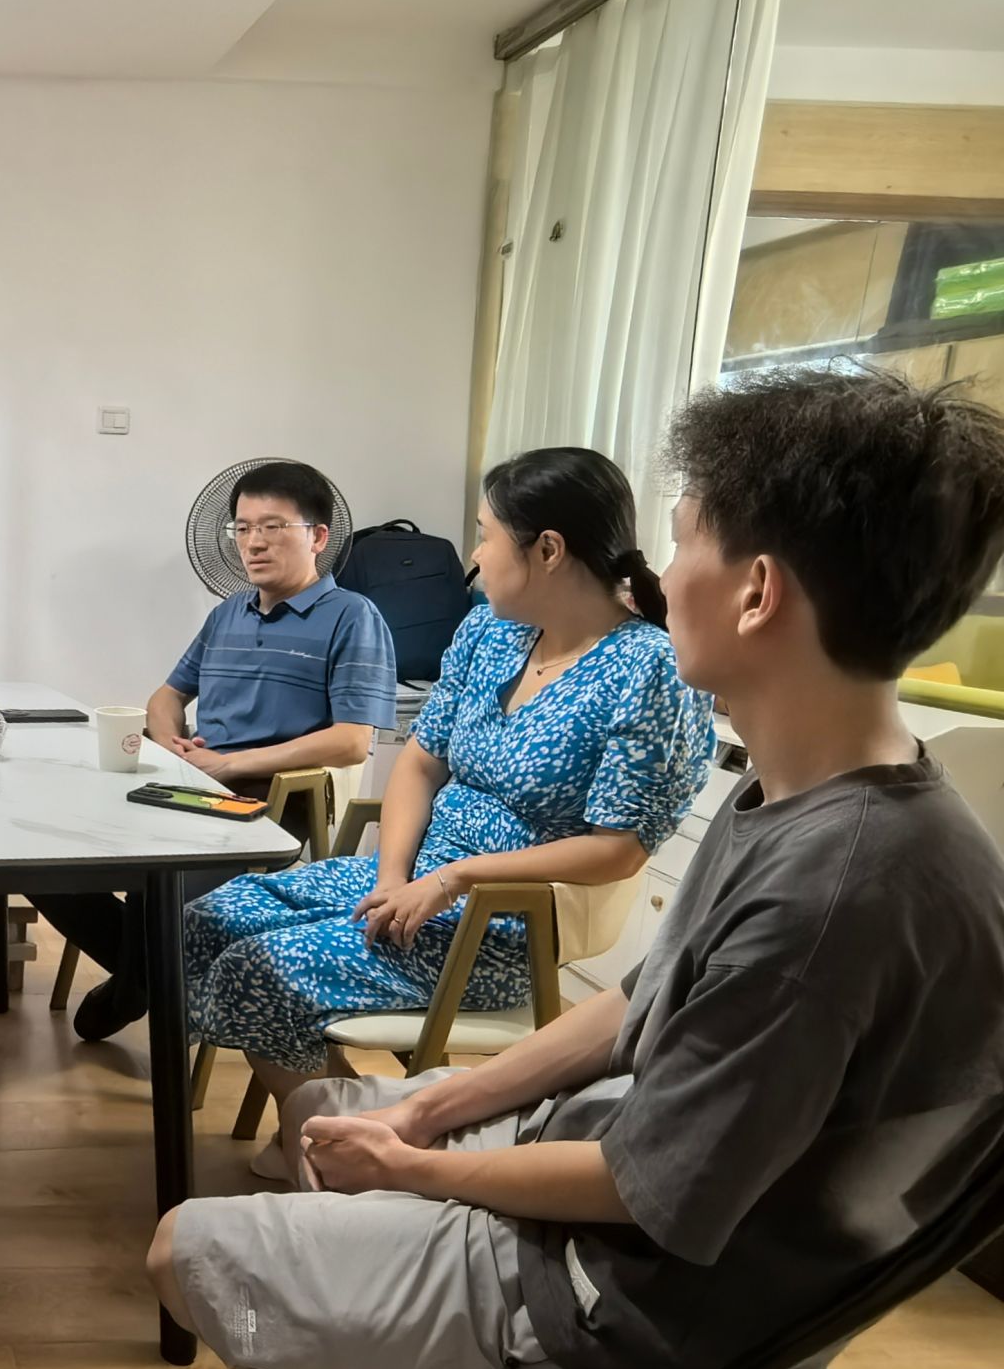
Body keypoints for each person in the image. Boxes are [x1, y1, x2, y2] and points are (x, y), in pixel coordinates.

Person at [149, 368, 1004, 1369]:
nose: (657, 577)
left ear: (756, 591)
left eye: (683, 541)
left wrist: (418, 1166)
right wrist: (425, 1112)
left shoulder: (837, 891)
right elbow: (640, 1004)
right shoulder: (807, 794)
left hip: (623, 1308)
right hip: (614, 1177)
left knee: (181, 1250)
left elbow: (643, 1190)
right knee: (325, 1119)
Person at [185, 447, 714, 1177]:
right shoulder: (488, 632)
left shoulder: (650, 669)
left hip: (505, 918)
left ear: (548, 550)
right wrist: (394, 874)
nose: (475, 555)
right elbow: (419, 762)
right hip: (416, 879)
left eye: (487, 536)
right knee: (214, 916)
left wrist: (454, 878)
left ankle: (337, 1145)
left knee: (264, 966)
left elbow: (618, 849)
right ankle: (338, 1118)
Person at [35, 459, 399, 1041]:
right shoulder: (228, 612)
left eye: (273, 526)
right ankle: (148, 981)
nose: (253, 542)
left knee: (159, 883)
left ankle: (134, 988)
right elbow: (166, 696)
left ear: (317, 536)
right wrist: (169, 738)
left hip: (266, 802)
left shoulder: (352, 617)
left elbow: (352, 740)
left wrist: (230, 764)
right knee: (44, 861)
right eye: (243, 527)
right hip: (188, 783)